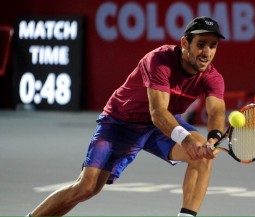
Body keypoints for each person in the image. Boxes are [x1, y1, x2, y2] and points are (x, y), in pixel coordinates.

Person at [26, 16, 227, 217]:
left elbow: (216, 111)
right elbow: (157, 112)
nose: (207, 52)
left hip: (160, 127)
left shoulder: (212, 77)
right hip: (121, 122)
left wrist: (214, 138)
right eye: (201, 45)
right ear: (185, 43)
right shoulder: (158, 60)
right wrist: (186, 139)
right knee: (87, 188)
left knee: (201, 157)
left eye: (213, 46)